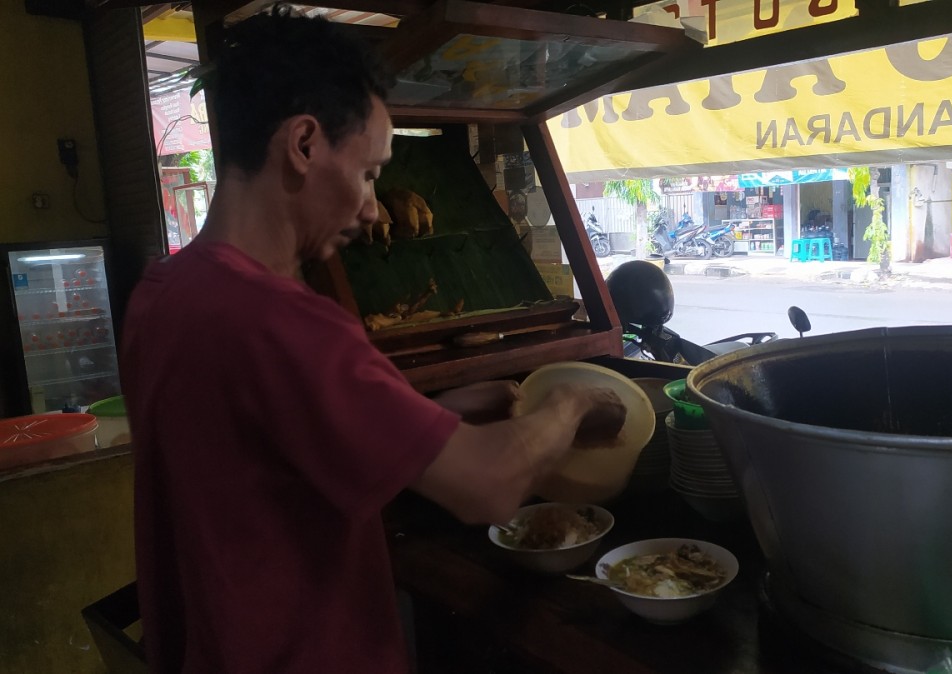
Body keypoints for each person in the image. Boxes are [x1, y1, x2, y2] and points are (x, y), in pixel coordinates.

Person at [120, 7, 623, 673]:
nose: (367, 207)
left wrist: (434, 420)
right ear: (303, 144)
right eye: (367, 173)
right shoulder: (284, 322)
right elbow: (489, 486)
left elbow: (262, 461)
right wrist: (573, 402)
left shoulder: (162, 295)